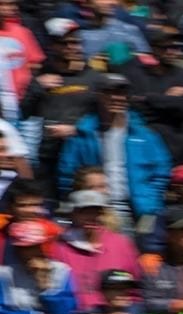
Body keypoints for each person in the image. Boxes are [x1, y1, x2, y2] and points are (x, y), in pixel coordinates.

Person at [57, 72, 172, 231]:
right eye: (109, 93)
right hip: (96, 209)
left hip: (141, 210)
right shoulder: (83, 134)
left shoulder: (144, 135)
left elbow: (162, 170)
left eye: (121, 93)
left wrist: (151, 198)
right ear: (98, 95)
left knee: (141, 253)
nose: (116, 98)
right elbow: (68, 173)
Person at [20, 17, 101, 198]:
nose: (74, 47)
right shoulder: (41, 78)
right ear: (53, 45)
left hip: (82, 159)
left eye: (77, 42)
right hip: (46, 158)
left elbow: (106, 118)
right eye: (66, 43)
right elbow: (23, 114)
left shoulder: (94, 78)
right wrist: (37, 88)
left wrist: (76, 129)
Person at [51, 189, 140, 310]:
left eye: (96, 212)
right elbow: (56, 290)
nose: (91, 217)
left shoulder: (121, 243)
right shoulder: (60, 247)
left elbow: (136, 287)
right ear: (73, 214)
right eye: (84, 212)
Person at [122, 27, 183, 163]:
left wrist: (148, 98)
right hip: (143, 140)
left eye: (175, 47)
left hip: (174, 144)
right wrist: (166, 98)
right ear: (154, 49)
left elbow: (181, 106)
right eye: (166, 48)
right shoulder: (135, 73)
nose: (172, 52)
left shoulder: (182, 75)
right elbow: (134, 106)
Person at [0, 219, 76, 314]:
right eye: (22, 248)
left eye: (33, 247)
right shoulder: (4, 274)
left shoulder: (61, 272)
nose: (27, 253)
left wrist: (46, 287)